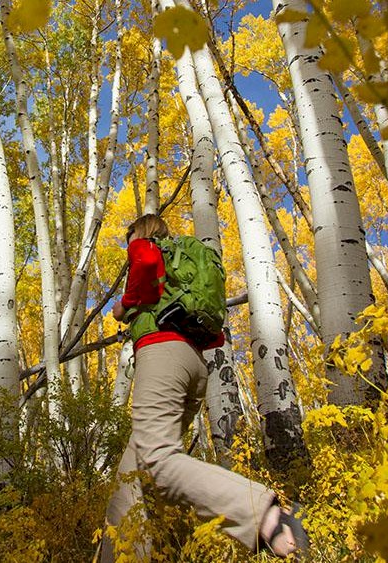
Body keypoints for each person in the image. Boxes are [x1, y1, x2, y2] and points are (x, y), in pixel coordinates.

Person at [99, 214, 308, 561]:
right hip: (193, 364)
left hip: (162, 354)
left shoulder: (148, 247)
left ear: (142, 230)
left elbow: (146, 266)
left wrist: (127, 306)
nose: (128, 241)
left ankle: (267, 517)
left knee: (158, 461)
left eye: (129, 234)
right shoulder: (187, 261)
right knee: (131, 480)